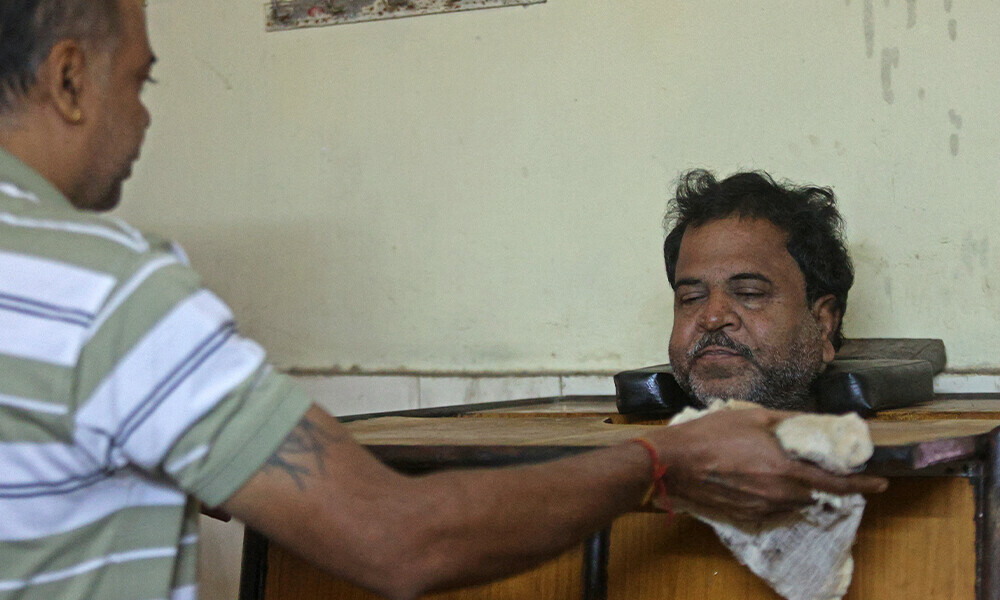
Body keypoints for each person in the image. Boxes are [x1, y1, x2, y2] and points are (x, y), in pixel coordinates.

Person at [0, 2, 886, 599]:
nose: (147, 117)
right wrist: (668, 465)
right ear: (71, 78)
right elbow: (398, 538)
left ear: (826, 318)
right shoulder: (103, 286)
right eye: (140, 82)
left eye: (750, 291)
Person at [663, 169, 855, 411]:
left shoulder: (888, 444)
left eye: (748, 293)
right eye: (691, 298)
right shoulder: (641, 445)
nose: (712, 317)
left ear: (823, 323)